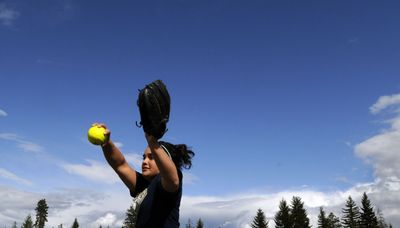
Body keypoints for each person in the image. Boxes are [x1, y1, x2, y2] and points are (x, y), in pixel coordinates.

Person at [93, 123, 195, 228]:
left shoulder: (167, 183)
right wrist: (106, 143)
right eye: (144, 157)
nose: (145, 161)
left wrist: (152, 142)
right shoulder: (143, 185)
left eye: (151, 157)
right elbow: (120, 165)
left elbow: (172, 180)